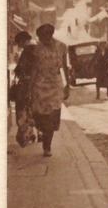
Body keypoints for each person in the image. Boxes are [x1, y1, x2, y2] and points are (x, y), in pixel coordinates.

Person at [29, 24, 70, 157]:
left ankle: (47, 146)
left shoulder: (62, 47)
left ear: (49, 35)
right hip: (40, 85)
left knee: (51, 117)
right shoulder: (37, 49)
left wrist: (67, 85)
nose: (40, 40)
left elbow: (64, 67)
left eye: (42, 37)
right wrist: (30, 86)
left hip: (55, 86)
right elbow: (35, 68)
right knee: (39, 115)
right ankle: (42, 133)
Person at [10, 30, 37, 147]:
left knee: (21, 109)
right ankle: (31, 132)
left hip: (27, 85)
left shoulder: (28, 51)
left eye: (19, 42)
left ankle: (26, 134)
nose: (19, 45)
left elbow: (21, 69)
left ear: (23, 41)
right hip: (35, 84)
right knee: (30, 110)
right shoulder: (35, 49)